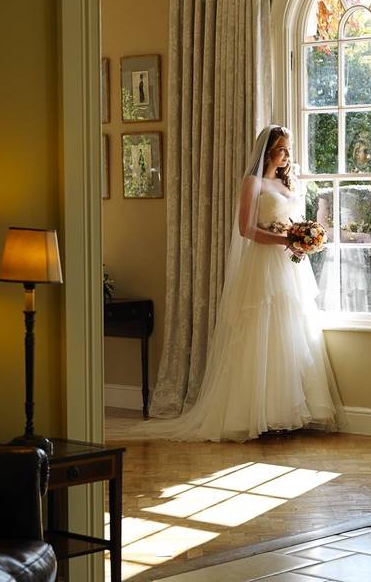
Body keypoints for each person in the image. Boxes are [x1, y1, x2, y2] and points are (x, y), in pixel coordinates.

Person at [135, 125, 345, 441]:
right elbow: (246, 230)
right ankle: (255, 412)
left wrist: (301, 238)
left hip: (289, 265)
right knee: (260, 334)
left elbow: (290, 222)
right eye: (281, 149)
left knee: (290, 332)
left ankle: (287, 412)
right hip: (263, 263)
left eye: (288, 149)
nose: (286, 155)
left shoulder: (287, 184)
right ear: (268, 151)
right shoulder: (253, 182)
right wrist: (286, 239)